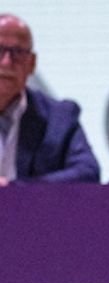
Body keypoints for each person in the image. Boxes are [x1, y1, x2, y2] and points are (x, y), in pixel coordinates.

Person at [0, 12, 100, 184]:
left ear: (31, 64)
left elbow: (88, 173)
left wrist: (15, 189)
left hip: (28, 210)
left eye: (17, 52)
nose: (6, 62)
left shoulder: (59, 118)